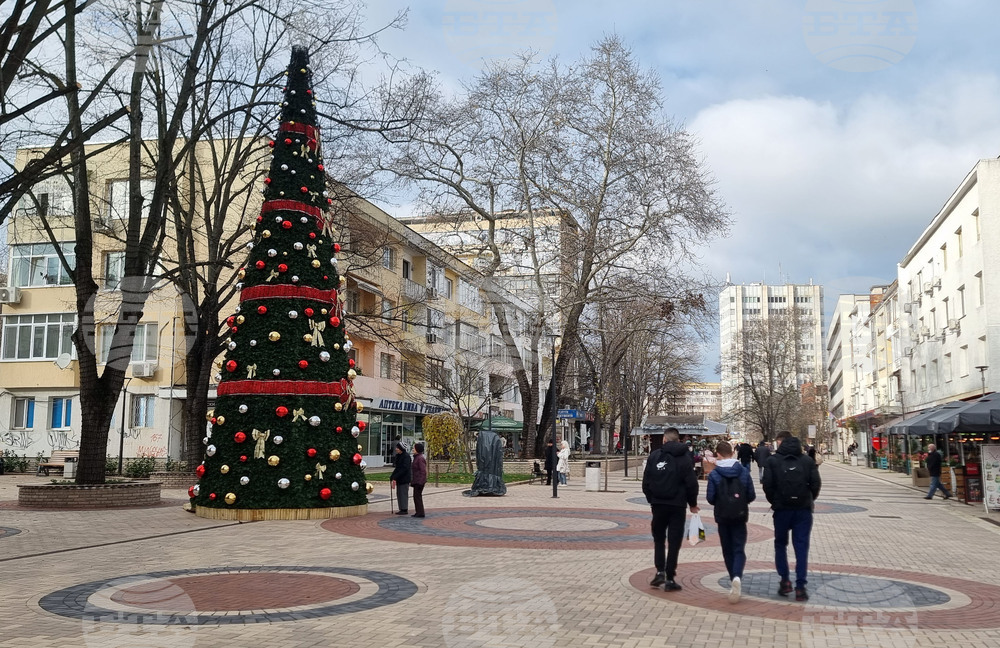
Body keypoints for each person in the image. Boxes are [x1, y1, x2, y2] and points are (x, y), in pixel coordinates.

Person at [763, 431, 821, 602]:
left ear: (780, 442)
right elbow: (816, 484)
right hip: (803, 510)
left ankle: (785, 580)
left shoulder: (772, 461)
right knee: (801, 546)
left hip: (782, 510)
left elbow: (767, 485)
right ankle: (800, 587)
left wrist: (775, 501)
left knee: (780, 544)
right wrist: (809, 498)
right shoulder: (807, 461)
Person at [642, 427, 700, 592]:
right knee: (674, 541)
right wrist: (692, 503)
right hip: (677, 505)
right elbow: (691, 483)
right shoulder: (685, 458)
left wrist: (652, 499)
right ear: (678, 440)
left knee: (659, 539)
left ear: (664, 439)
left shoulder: (654, 456)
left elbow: (646, 481)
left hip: (658, 504)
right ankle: (670, 577)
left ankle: (660, 571)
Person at [706, 441, 756, 603]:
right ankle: (737, 576)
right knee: (739, 548)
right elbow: (751, 495)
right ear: (732, 453)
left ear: (718, 454)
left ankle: (732, 577)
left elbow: (710, 498)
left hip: (722, 516)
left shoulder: (714, 474)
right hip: (740, 516)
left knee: (727, 550)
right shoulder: (743, 472)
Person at [389, 441, 412, 515]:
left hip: (404, 478)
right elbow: (397, 468)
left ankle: (404, 509)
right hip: (399, 478)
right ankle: (401, 508)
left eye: (398, 448)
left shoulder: (406, 456)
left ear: (401, 449)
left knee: (403, 493)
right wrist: (393, 475)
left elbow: (404, 468)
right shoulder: (399, 456)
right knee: (399, 493)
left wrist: (396, 476)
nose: (396, 449)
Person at [411, 442, 427, 518]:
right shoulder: (417, 457)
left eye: (414, 448)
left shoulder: (420, 458)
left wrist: (421, 481)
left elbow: (423, 471)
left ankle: (420, 512)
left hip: (419, 481)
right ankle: (418, 511)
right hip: (416, 480)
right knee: (416, 497)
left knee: (417, 497)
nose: (413, 449)